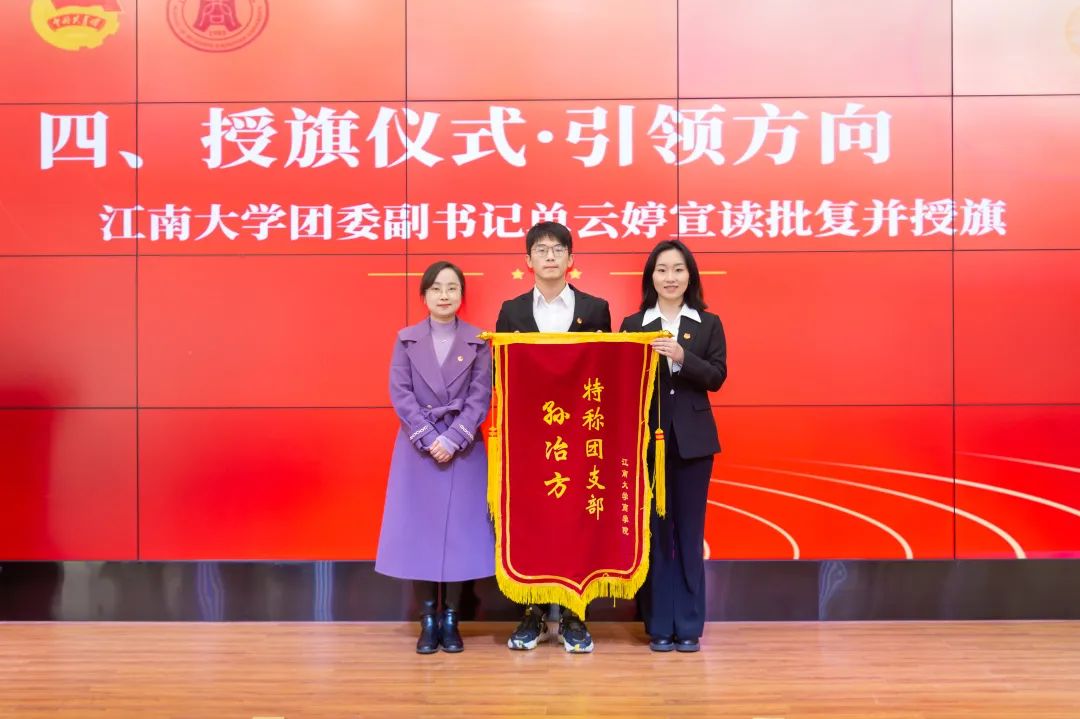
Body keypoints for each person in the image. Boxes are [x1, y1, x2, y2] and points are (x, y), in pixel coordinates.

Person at [495, 221, 611, 653]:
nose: (549, 256)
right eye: (541, 249)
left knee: (578, 518)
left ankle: (576, 615)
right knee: (534, 520)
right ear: (528, 260)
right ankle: (534, 612)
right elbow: (499, 372)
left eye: (557, 249)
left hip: (580, 436)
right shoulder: (511, 311)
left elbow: (604, 371)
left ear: (570, 258)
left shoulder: (596, 309)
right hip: (530, 436)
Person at [376, 261, 494, 654]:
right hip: (419, 451)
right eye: (437, 288)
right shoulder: (406, 339)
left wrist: (454, 437)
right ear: (424, 295)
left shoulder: (479, 341)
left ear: (462, 295)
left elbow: (481, 396)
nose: (445, 295)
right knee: (422, 534)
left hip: (464, 449)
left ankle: (452, 619)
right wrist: (430, 438)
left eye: (452, 288)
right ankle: (428, 619)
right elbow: (401, 393)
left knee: (461, 534)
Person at [619, 239, 727, 653]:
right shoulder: (633, 324)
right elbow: (621, 382)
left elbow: (716, 377)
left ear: (690, 276)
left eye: (678, 269)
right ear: (651, 277)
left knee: (689, 532)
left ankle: (689, 626)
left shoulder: (708, 323)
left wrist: (682, 355)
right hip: (646, 444)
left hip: (693, 445)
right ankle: (659, 624)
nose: (670, 277)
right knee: (654, 535)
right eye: (662, 270)